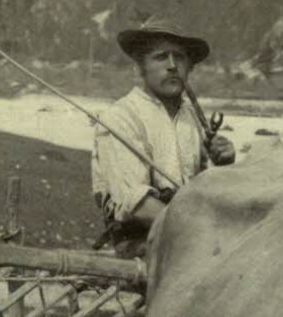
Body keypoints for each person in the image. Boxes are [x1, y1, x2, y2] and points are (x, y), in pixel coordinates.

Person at [91, 18, 236, 257]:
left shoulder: (191, 118)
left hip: (191, 233)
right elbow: (137, 204)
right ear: (140, 68)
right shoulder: (120, 118)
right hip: (143, 241)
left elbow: (210, 192)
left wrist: (224, 164)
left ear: (189, 67)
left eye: (179, 57)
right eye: (160, 57)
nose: (172, 66)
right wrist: (204, 234)